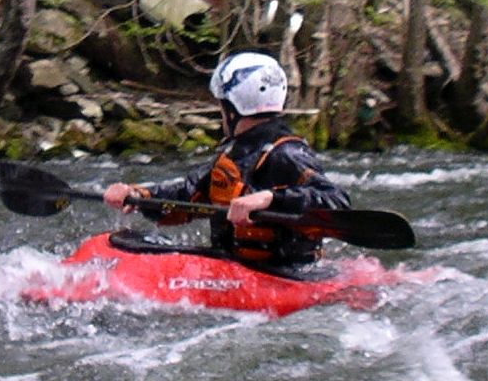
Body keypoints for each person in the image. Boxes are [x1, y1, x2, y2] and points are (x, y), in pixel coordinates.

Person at [102, 52, 350, 266]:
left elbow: (336, 202)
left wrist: (270, 199)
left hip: (285, 274)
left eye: (222, 106)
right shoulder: (233, 154)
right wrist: (138, 196)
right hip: (237, 267)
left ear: (233, 108)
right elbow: (186, 196)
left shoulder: (286, 153)